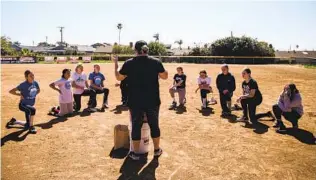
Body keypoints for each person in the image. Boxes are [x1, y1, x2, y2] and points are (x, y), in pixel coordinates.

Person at [113, 40, 168, 161]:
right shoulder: (155, 62)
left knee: (136, 126)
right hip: (152, 100)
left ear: (136, 50)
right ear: (146, 49)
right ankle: (157, 150)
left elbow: (119, 77)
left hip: (135, 100)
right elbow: (165, 76)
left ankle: (136, 153)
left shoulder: (129, 63)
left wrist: (116, 64)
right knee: (154, 125)